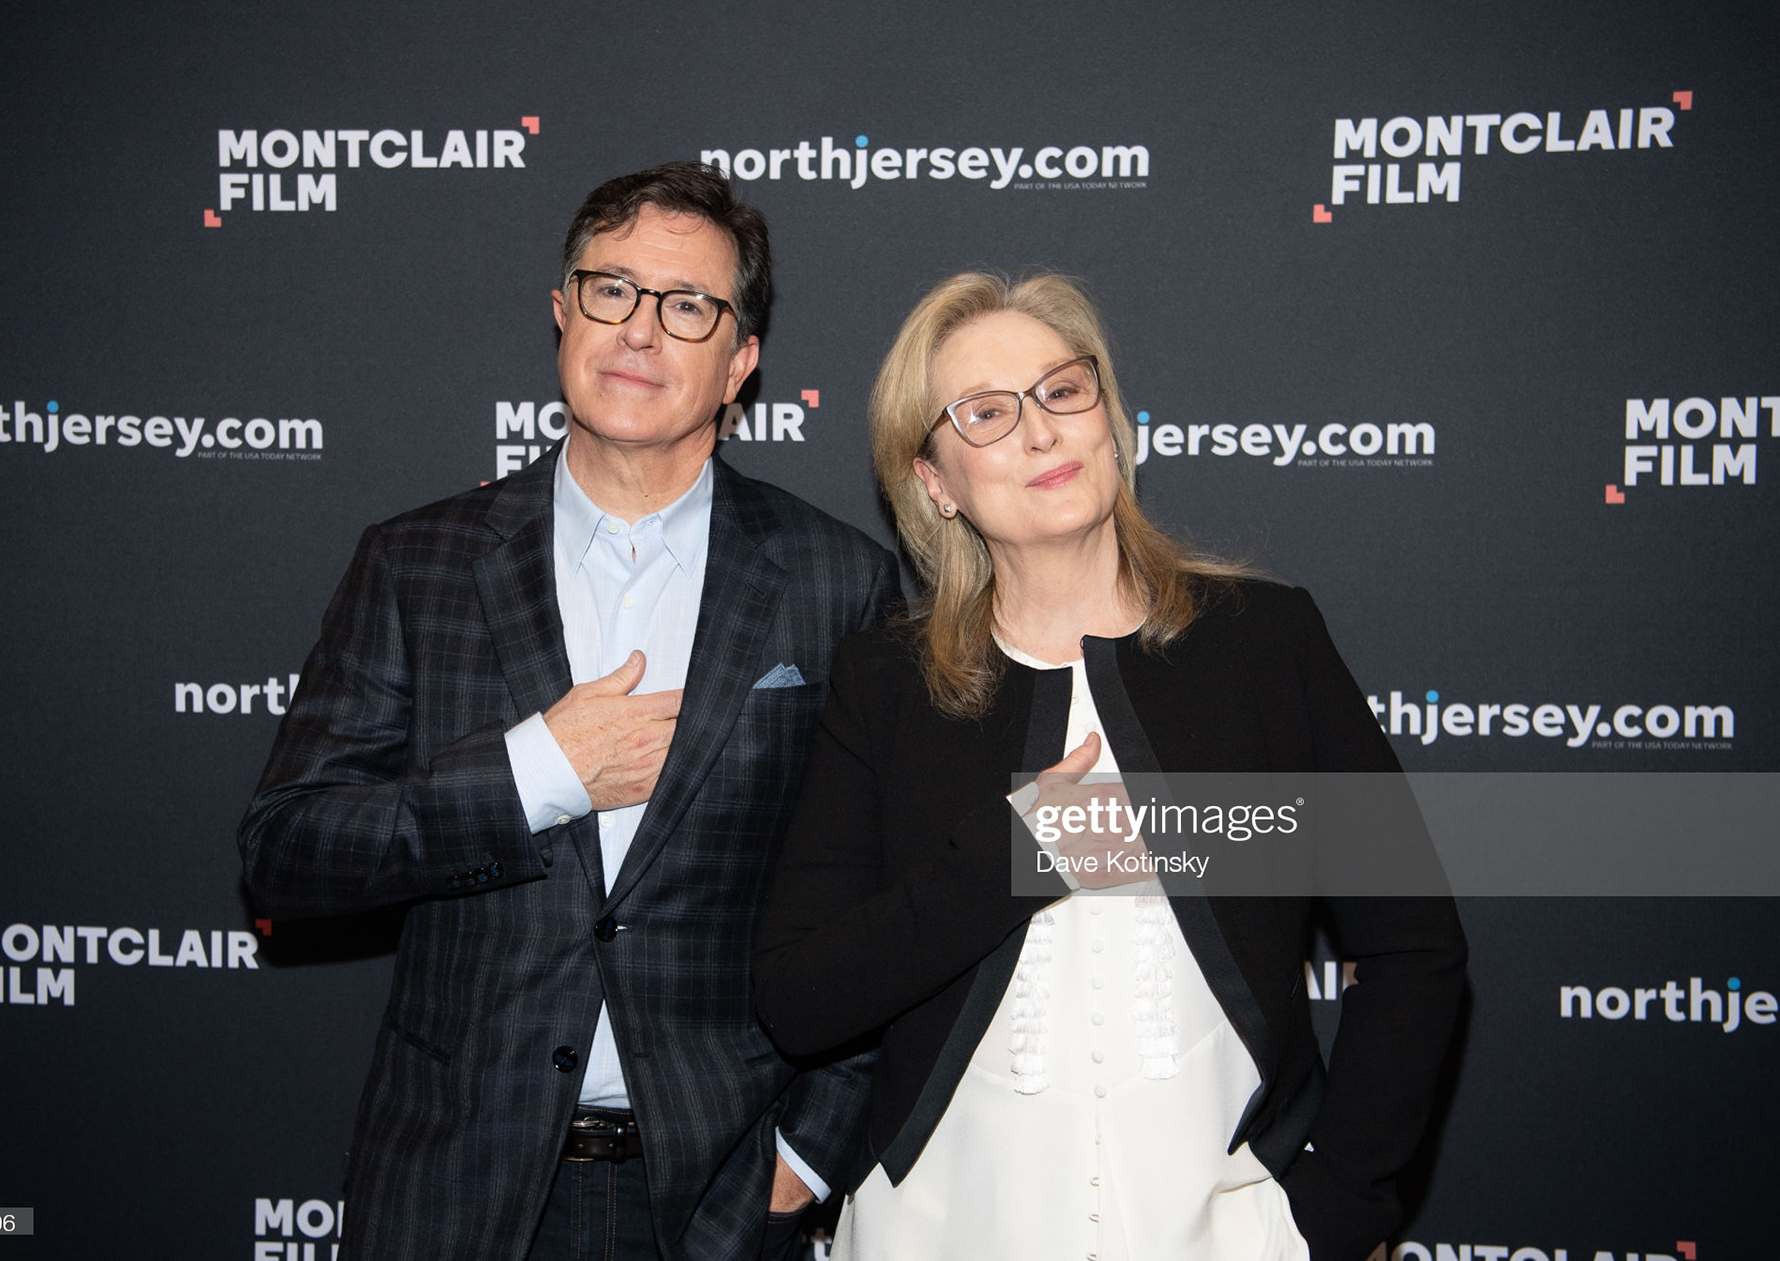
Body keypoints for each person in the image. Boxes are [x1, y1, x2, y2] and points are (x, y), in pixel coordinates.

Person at [239, 161, 899, 1261]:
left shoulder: (839, 583)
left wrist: (810, 1154)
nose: (640, 330)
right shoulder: (417, 563)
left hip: (718, 1197)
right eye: (611, 289)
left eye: (687, 306)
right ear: (561, 314)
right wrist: (532, 772)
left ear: (739, 362)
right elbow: (288, 850)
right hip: (456, 1186)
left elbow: (884, 900)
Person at [752, 273, 1467, 1261]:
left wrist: (1331, 1212)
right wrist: (1012, 858)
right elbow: (802, 992)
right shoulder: (889, 682)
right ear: (935, 481)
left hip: (1234, 1234)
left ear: (1108, 419)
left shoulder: (1266, 644)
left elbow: (1414, 946)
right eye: (988, 413)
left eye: (1063, 390)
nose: (1041, 431)